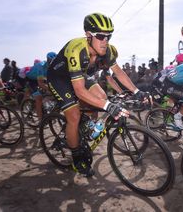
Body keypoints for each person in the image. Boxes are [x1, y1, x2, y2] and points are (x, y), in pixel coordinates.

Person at [47, 13, 148, 177]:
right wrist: (109, 107)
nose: (105, 40)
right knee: (73, 115)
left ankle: (87, 125)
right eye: (101, 36)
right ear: (88, 35)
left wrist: (137, 91)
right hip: (59, 78)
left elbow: (118, 72)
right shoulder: (76, 48)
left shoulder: (107, 51)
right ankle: (77, 156)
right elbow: (80, 91)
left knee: (102, 97)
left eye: (109, 36)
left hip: (78, 75)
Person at [25, 52, 57, 120]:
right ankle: (41, 120)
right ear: (48, 59)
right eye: (51, 61)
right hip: (31, 79)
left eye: (54, 61)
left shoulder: (53, 67)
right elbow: (40, 84)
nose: (53, 63)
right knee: (38, 97)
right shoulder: (41, 66)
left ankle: (45, 108)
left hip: (41, 78)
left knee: (50, 92)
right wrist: (51, 90)